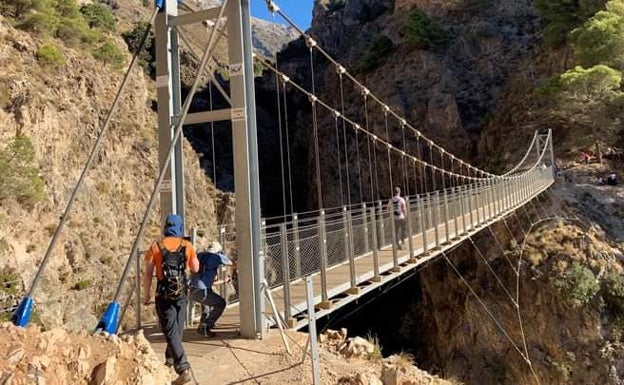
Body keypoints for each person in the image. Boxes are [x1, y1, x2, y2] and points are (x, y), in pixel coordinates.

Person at [142, 214, 199, 385]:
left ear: (165, 227)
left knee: (170, 330)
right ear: (180, 227)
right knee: (177, 330)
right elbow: (195, 268)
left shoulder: (156, 247)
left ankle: (183, 368)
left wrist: (146, 296)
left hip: (163, 295)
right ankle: (170, 360)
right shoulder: (187, 245)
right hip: (181, 294)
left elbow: (147, 274)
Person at [189, 240, 233, 338]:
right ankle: (205, 326)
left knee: (207, 304)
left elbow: (210, 281)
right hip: (202, 290)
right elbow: (231, 263)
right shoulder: (217, 257)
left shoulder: (199, 255)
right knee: (221, 303)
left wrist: (224, 281)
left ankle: (204, 325)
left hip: (192, 289)